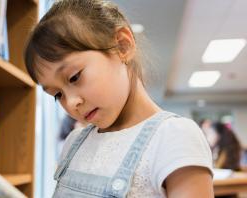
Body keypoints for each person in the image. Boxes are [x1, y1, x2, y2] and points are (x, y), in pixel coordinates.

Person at [24, 0, 214, 197]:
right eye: (57, 95)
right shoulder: (74, 143)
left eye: (74, 77)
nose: (71, 103)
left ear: (122, 46)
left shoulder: (174, 136)